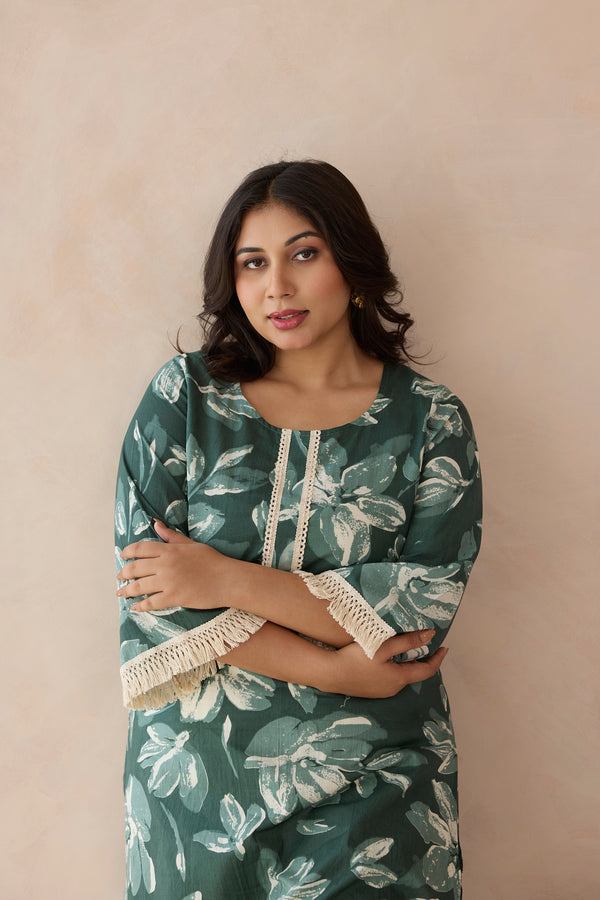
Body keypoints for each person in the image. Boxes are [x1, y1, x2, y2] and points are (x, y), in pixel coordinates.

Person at [115, 160, 482, 899]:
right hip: (199, 791)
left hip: (380, 786)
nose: (276, 286)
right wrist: (332, 667)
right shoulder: (183, 400)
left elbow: (420, 607)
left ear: (352, 262)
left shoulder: (432, 420)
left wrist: (223, 579)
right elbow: (151, 590)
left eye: (303, 253)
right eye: (252, 262)